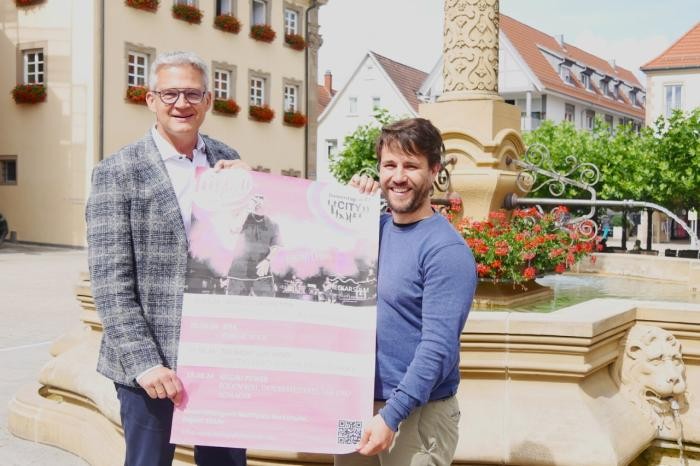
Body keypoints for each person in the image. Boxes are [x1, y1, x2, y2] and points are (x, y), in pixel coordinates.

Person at [86, 51, 247, 466]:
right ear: (150, 99)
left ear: (209, 101)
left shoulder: (227, 160)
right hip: (150, 370)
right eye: (170, 93)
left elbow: (251, 254)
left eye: (193, 94)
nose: (182, 103)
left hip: (219, 359)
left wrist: (254, 196)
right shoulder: (117, 171)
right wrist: (146, 364)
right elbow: (110, 282)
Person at [337, 118, 477, 466]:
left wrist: (391, 416)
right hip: (357, 403)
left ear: (434, 171)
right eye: (389, 165)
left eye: (411, 166)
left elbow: (438, 348)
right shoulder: (371, 230)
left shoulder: (446, 250)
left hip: (415, 413)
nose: (398, 177)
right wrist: (347, 205)